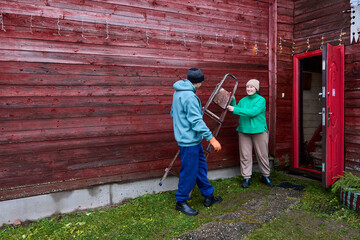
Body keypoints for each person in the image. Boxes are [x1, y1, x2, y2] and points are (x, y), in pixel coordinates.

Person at [170, 68, 223, 216]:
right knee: (189, 172)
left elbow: (173, 113)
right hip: (189, 143)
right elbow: (197, 122)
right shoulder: (190, 97)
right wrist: (212, 139)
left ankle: (208, 196)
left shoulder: (178, 92)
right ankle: (180, 201)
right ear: (199, 82)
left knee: (200, 168)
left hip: (193, 140)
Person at [227, 79, 274, 188]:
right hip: (244, 131)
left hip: (259, 131)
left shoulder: (261, 100)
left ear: (256, 89)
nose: (249, 89)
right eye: (247, 87)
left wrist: (235, 108)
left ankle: (266, 175)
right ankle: (246, 177)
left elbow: (253, 112)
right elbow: (236, 111)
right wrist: (233, 101)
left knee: (262, 154)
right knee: (245, 155)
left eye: (251, 87)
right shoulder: (243, 100)